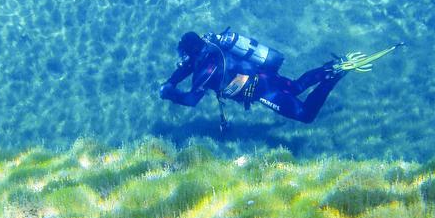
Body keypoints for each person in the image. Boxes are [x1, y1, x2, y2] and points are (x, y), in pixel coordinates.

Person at [159, 29, 403, 131]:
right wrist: (171, 80)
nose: (184, 60)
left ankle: (334, 76)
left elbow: (191, 100)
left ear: (192, 51)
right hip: (264, 74)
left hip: (261, 91)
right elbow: (187, 66)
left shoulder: (205, 72)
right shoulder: (212, 45)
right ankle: (332, 67)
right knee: (296, 86)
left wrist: (168, 93)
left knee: (305, 115)